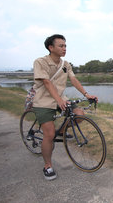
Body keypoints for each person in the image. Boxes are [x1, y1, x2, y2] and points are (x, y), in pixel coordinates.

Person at [32, 34, 97, 180]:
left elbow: (73, 79)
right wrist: (59, 101)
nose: (64, 48)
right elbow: (47, 83)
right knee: (48, 135)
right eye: (61, 46)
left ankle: (60, 131)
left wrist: (87, 94)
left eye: (65, 45)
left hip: (60, 99)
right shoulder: (40, 62)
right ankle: (47, 166)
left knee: (80, 114)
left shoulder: (66, 65)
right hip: (43, 101)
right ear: (51, 47)